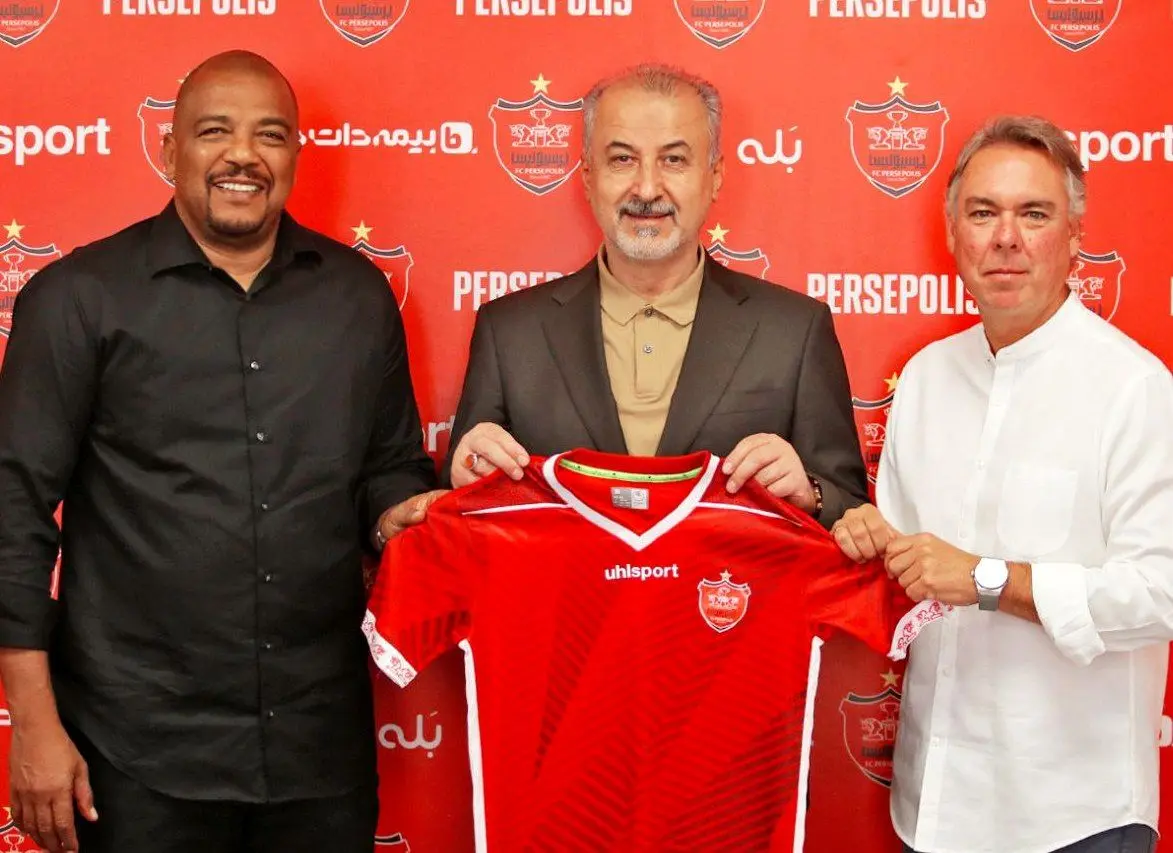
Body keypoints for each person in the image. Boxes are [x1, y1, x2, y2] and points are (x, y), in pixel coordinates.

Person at [0, 50, 441, 853]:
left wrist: (399, 517)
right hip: (134, 754)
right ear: (169, 150)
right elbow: (13, 512)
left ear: (295, 154)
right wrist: (32, 724)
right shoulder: (77, 299)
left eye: (269, 134)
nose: (243, 155)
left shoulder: (357, 296)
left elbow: (391, 467)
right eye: (214, 132)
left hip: (318, 750)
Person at [832, 115, 1173, 853]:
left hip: (1073, 818)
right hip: (933, 807)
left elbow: (1160, 593)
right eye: (983, 213)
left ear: (1074, 236)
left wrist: (987, 578)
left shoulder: (1136, 389)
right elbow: (904, 579)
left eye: (1034, 214)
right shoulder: (924, 378)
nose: (1006, 238)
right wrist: (864, 540)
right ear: (953, 233)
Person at [444, 64, 867, 526]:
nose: (646, 189)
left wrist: (812, 495)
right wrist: (464, 475)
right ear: (588, 176)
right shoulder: (509, 333)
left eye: (674, 160)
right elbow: (459, 502)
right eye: (622, 159)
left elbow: (851, 507)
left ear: (715, 177)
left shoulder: (794, 331)